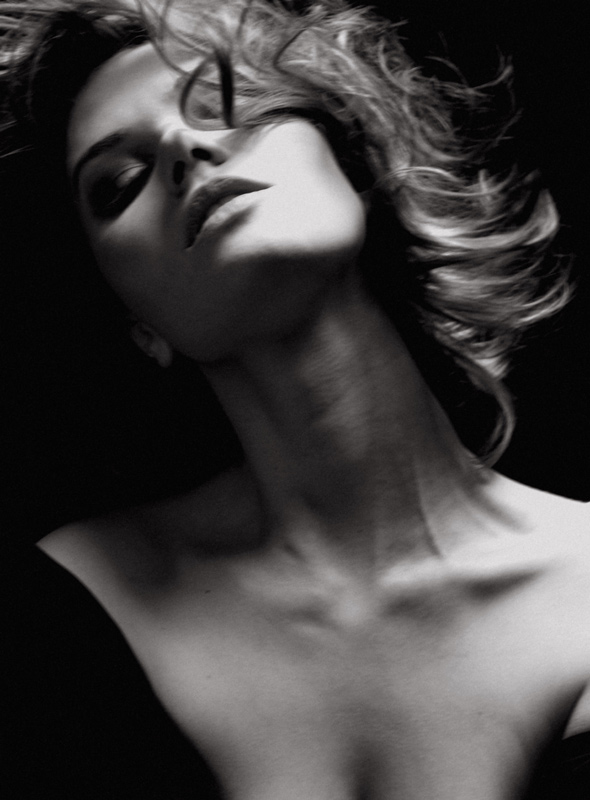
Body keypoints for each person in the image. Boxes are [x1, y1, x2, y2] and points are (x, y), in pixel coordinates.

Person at [0, 0, 588, 797]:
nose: (181, 146)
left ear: (356, 165)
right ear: (138, 325)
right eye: (119, 183)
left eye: (229, 106)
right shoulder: (67, 605)